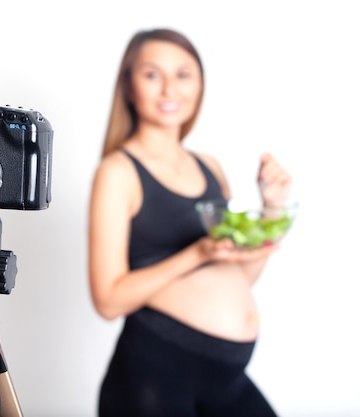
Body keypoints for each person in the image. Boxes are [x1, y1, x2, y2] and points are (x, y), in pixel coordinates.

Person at [88, 28, 292, 417]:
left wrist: (273, 209)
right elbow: (108, 300)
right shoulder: (118, 172)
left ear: (200, 84)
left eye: (183, 74)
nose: (170, 89)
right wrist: (197, 253)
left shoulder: (209, 167)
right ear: (128, 86)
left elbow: (238, 277)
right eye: (152, 74)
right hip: (154, 377)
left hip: (225, 379)